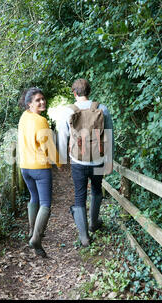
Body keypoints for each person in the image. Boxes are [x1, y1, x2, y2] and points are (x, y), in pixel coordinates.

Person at [56, 79, 114, 247]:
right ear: (89, 91)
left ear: (74, 93)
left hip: (78, 162)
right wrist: (109, 161)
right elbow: (109, 137)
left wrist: (60, 160)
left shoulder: (68, 111)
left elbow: (62, 137)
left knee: (79, 195)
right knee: (96, 189)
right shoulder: (102, 109)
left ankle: (84, 237)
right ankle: (94, 223)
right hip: (98, 160)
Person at [18, 87, 61, 257]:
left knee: (33, 198)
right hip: (40, 168)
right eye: (37, 100)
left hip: (25, 167)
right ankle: (36, 238)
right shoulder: (40, 121)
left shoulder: (24, 117)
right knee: (45, 204)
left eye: (43, 99)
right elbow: (48, 145)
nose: (42, 102)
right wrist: (58, 162)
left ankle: (31, 230)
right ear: (29, 104)